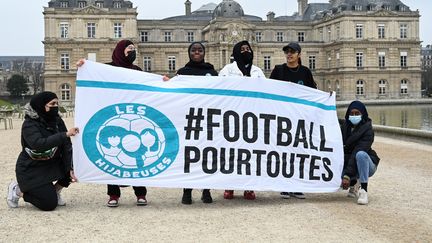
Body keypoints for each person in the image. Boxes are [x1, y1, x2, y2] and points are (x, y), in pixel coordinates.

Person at [77, 39, 148, 207]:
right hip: (113, 117)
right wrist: (83, 65)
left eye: (133, 49)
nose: (132, 51)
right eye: (129, 49)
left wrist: (163, 82)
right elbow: (93, 74)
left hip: (134, 118)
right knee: (113, 157)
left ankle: (140, 193)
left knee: (136, 154)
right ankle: (114, 194)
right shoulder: (108, 68)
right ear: (120, 50)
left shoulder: (137, 70)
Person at [6, 91, 79, 211]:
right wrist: (65, 134)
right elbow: (39, 144)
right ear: (41, 105)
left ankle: (55, 191)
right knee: (48, 204)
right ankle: (18, 190)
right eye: (52, 104)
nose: (56, 107)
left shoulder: (57, 121)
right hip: (33, 168)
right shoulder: (29, 124)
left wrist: (70, 168)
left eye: (57, 103)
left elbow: (66, 145)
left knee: (76, 167)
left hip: (52, 163)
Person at [270, 42, 317, 199]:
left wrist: (327, 97)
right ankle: (284, 185)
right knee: (283, 152)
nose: (289, 54)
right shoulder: (278, 70)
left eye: (292, 52)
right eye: (287, 52)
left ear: (299, 54)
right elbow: (268, 90)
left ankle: (297, 185)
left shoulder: (305, 72)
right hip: (281, 118)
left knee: (299, 152)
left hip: (299, 120)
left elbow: (313, 93)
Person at [219, 40, 265, 200]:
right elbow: (219, 89)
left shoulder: (258, 71)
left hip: (252, 117)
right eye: (242, 49)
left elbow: (268, 94)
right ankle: (230, 185)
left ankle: (249, 187)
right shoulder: (227, 70)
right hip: (232, 116)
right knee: (231, 153)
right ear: (236, 52)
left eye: (248, 49)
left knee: (250, 154)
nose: (246, 51)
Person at [177, 42, 218, 204]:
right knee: (189, 157)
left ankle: (206, 190)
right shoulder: (182, 72)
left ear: (204, 53)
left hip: (208, 119)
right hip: (189, 119)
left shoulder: (212, 72)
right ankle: (187, 191)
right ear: (189, 53)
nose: (197, 52)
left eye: (200, 50)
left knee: (208, 156)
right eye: (194, 50)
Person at [340, 100, 380, 205]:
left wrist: (347, 175)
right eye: (351, 113)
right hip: (350, 161)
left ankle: (364, 191)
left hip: (367, 165)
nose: (354, 116)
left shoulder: (368, 130)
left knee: (360, 155)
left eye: (357, 113)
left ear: (363, 114)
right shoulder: (344, 127)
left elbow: (357, 151)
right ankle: (354, 183)